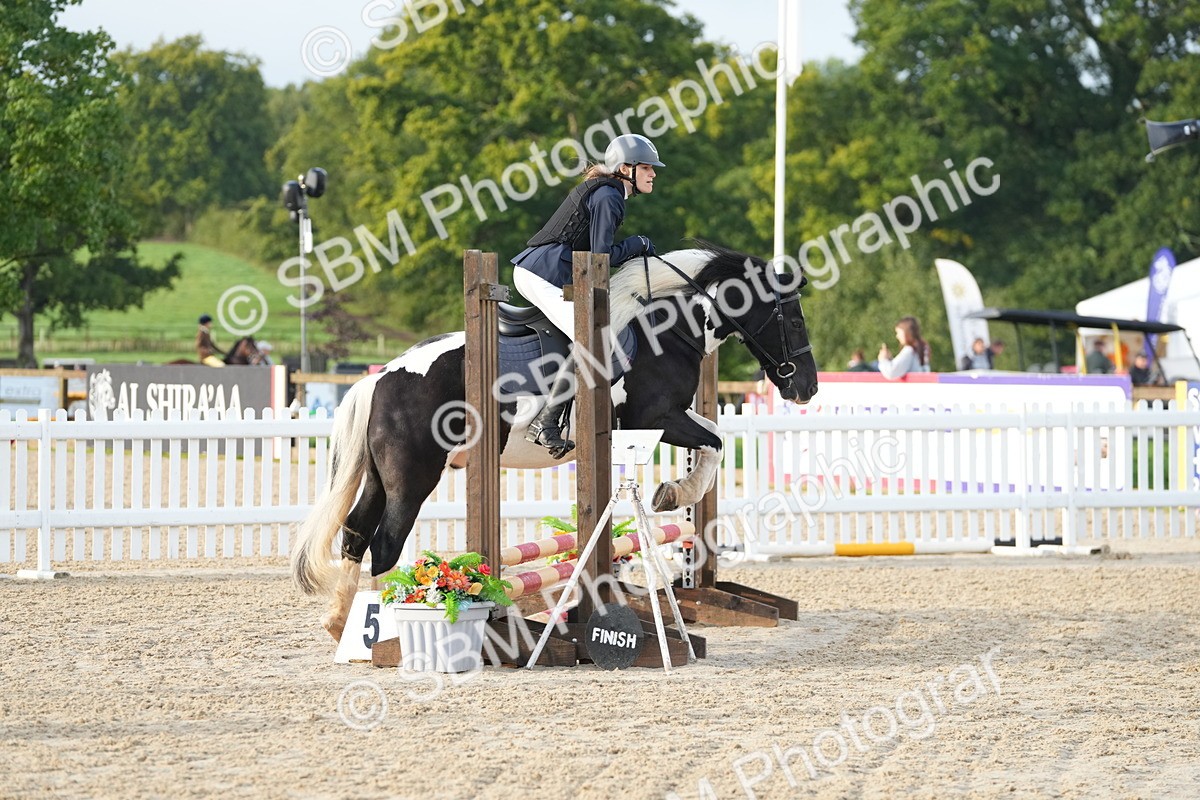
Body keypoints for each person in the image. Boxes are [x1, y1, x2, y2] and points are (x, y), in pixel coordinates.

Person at [511, 133, 662, 458]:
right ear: (625, 168)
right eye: (647, 168)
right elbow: (599, 259)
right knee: (592, 339)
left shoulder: (607, 191)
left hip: (546, 270)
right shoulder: (610, 195)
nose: (653, 174)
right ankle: (545, 424)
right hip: (543, 272)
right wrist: (638, 244)